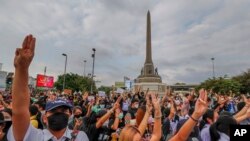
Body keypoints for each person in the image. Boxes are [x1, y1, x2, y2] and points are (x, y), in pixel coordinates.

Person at [7, 34, 89, 141]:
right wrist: (22, 68)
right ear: (44, 118)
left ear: (69, 116)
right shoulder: (33, 136)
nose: (59, 114)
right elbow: (20, 111)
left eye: (64, 111)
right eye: (54, 111)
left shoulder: (80, 137)